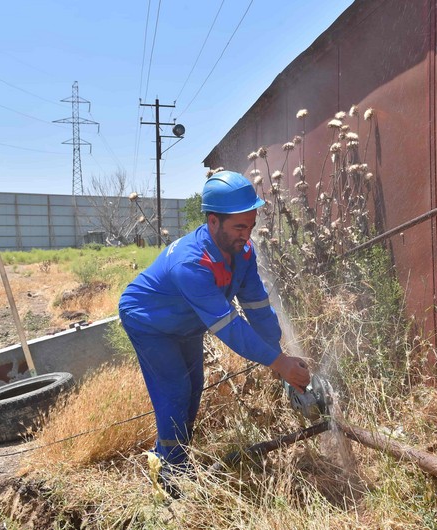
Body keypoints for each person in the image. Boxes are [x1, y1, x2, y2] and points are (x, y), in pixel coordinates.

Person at [118, 171, 311, 489]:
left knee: (194, 387)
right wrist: (279, 364)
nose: (247, 235)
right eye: (239, 227)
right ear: (212, 222)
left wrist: (279, 355)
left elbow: (257, 307)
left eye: (250, 225)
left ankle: (174, 457)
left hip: (186, 322)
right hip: (149, 321)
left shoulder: (242, 253)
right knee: (176, 390)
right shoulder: (191, 264)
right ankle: (167, 472)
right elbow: (230, 327)